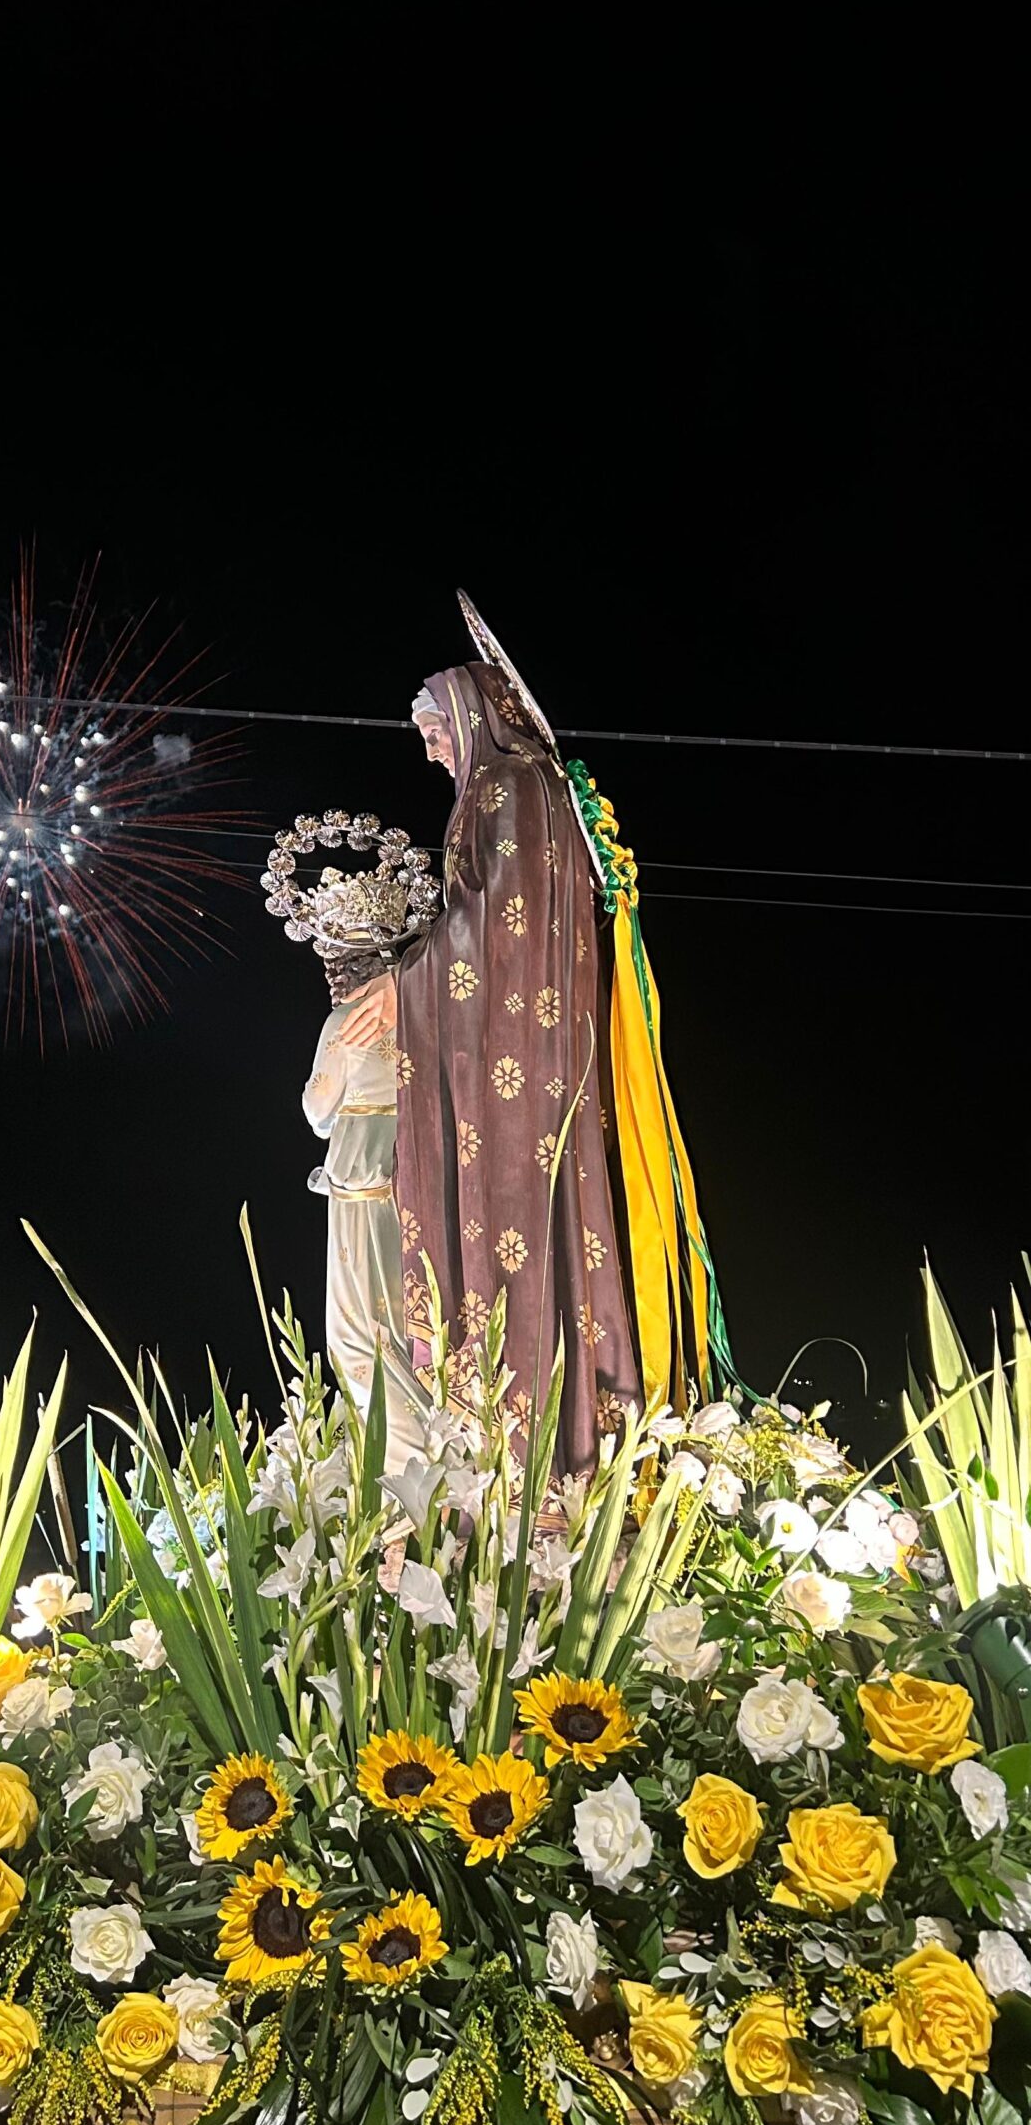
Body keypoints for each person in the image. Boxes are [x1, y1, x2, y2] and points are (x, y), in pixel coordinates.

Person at [381, 602, 723, 1477]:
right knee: (551, 1233)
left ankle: (533, 1458)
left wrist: (399, 974)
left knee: (514, 1234)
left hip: (512, 1071)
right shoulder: (531, 790)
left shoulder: (508, 789)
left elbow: (487, 937)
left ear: (470, 715)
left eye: (435, 731)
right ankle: (562, 1447)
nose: (432, 752)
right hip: (536, 1064)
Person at [263, 812, 436, 1468]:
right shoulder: (424, 1009)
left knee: (360, 1331)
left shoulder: (345, 1018)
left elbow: (318, 1109)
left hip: (362, 1169)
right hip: (419, 1163)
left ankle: (404, 1471)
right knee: (414, 1316)